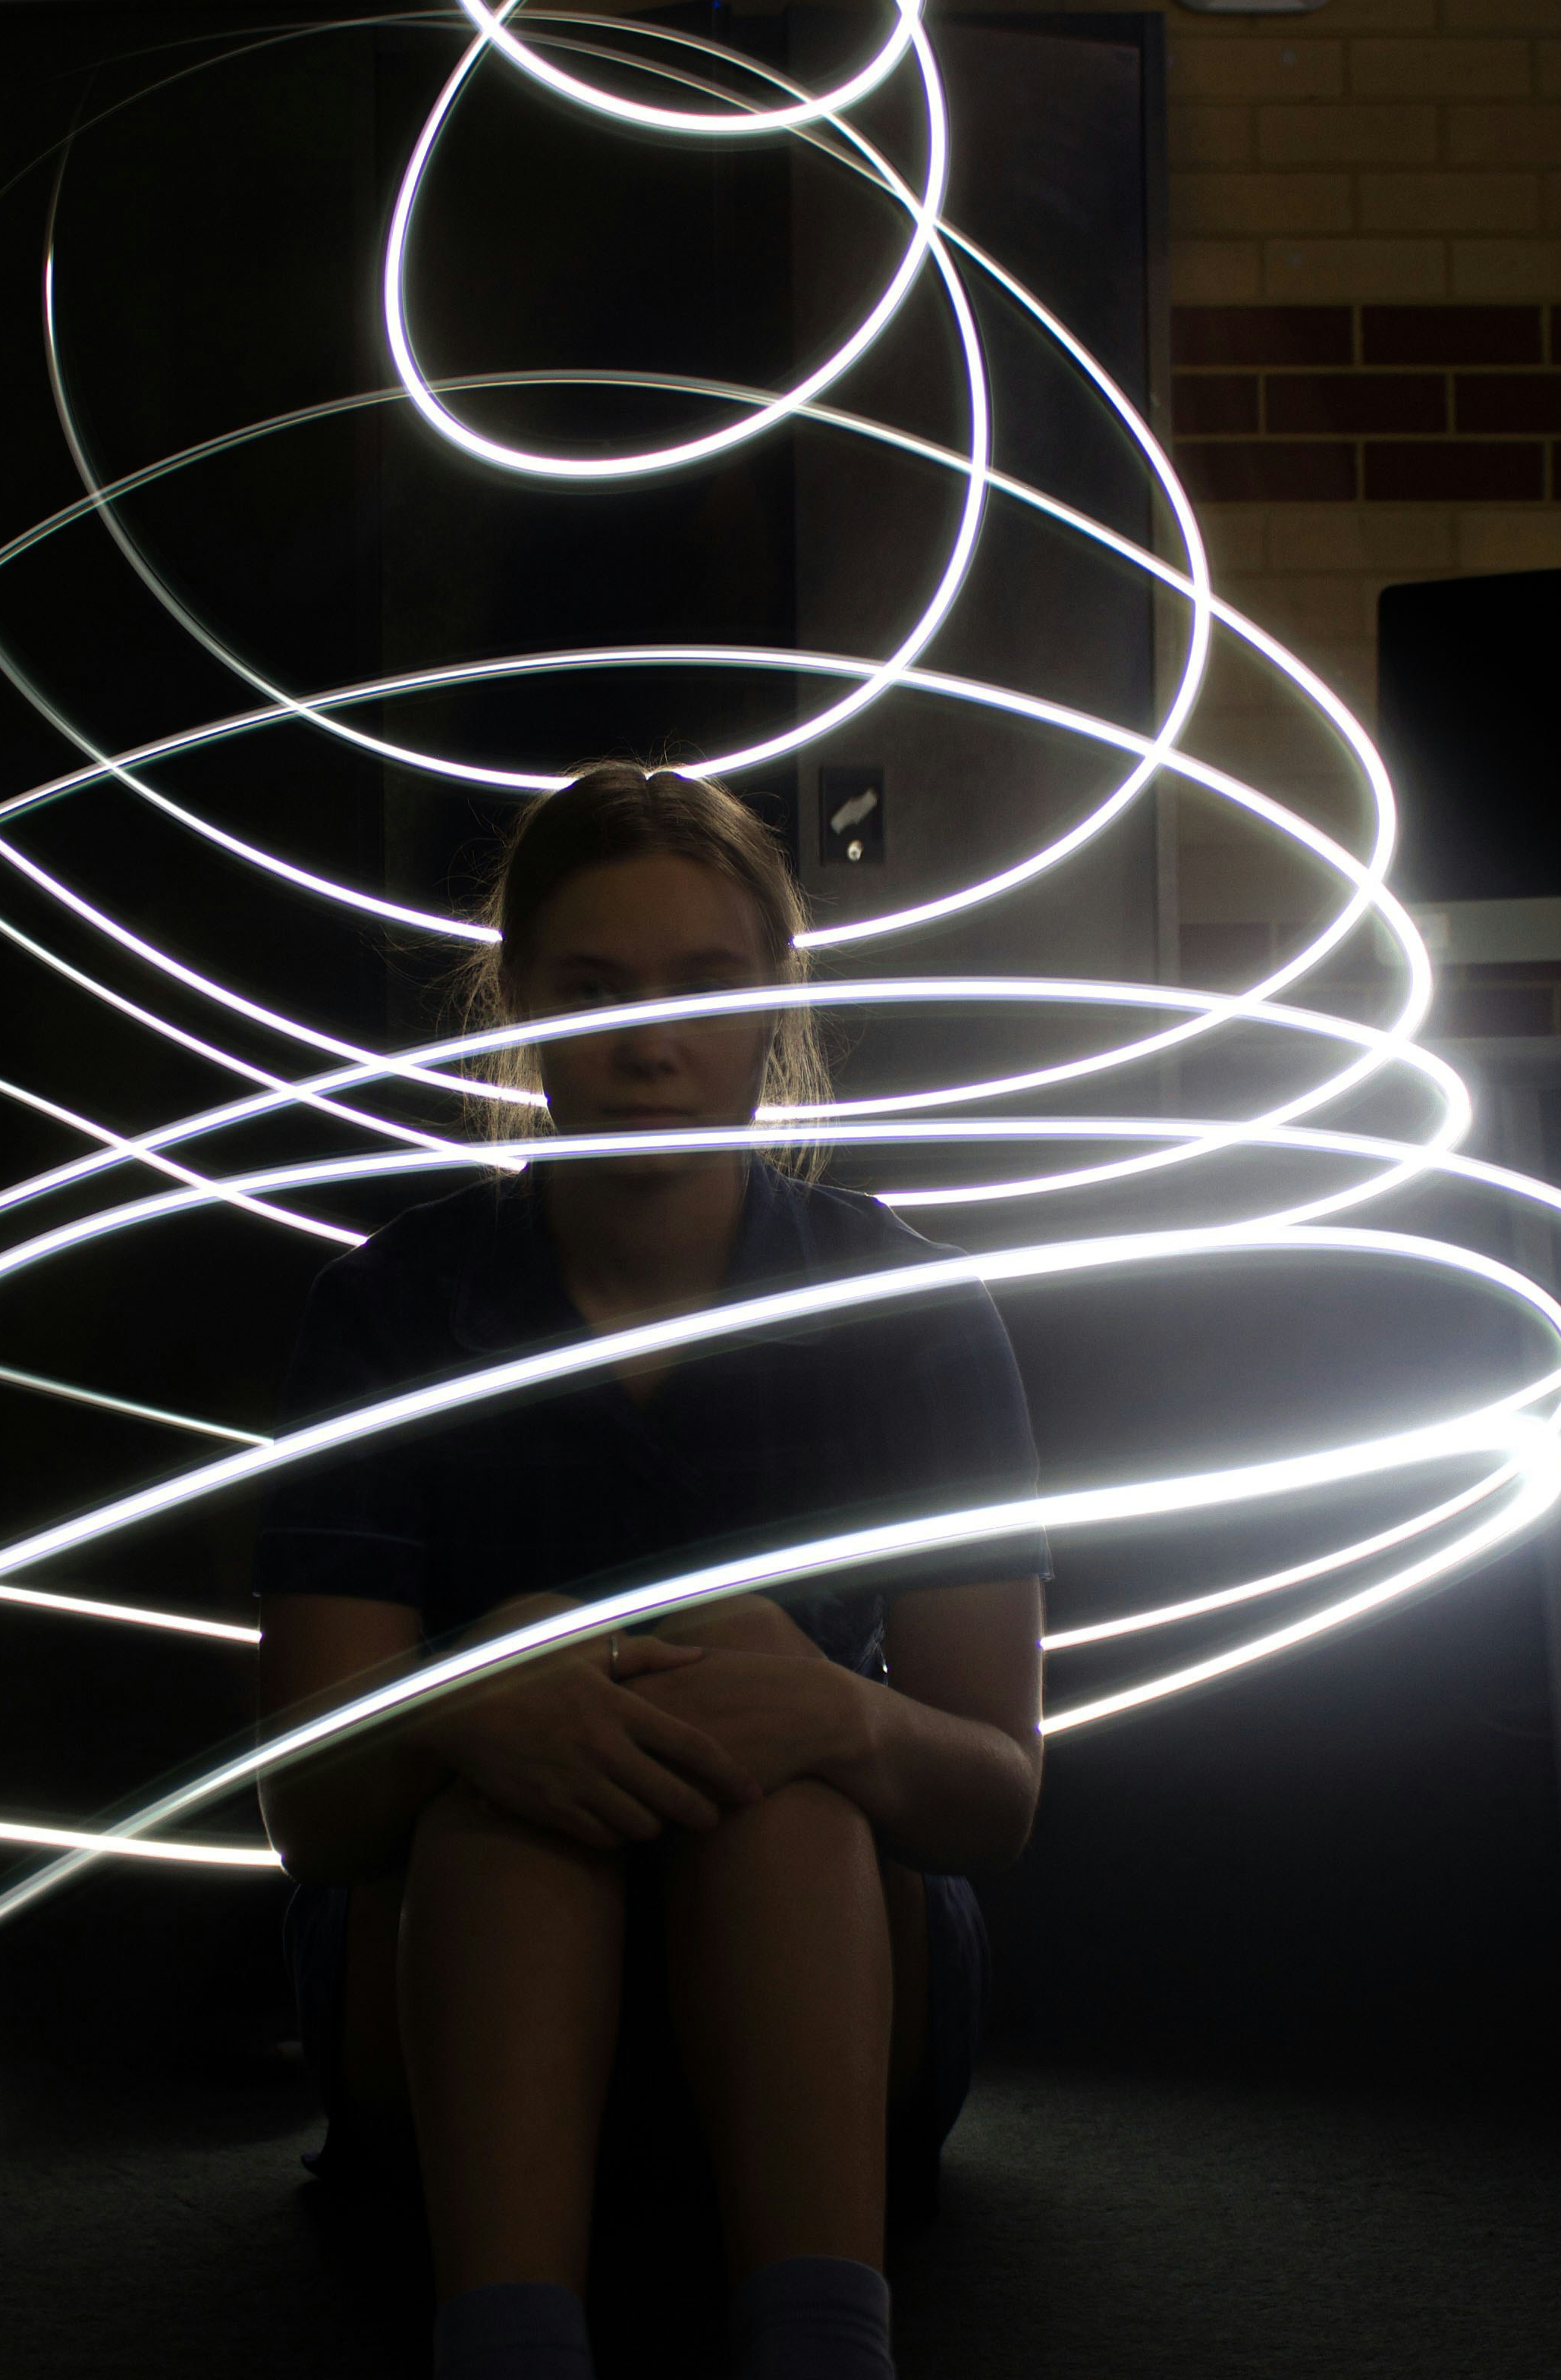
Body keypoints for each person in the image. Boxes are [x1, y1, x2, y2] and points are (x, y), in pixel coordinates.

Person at [254, 762, 1047, 2380]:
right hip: (456, 2001)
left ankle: (823, 2345)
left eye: (704, 986)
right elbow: (313, 1817)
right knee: (509, 1761)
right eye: (591, 988)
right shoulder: (391, 1314)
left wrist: (827, 1718)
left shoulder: (911, 1306)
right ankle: (512, 2343)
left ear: (775, 1003)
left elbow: (996, 1797)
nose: (647, 1042)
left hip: (831, 1983)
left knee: (789, 1769)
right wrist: (473, 1702)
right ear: (516, 1007)